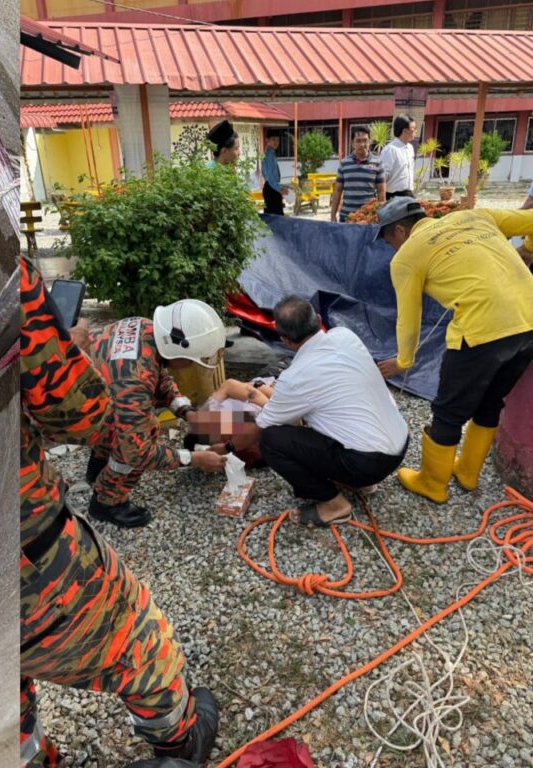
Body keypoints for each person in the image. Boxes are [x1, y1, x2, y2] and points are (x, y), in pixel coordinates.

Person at [20, 257, 219, 767]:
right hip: (27, 558)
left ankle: (25, 753)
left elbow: (159, 382)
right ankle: (180, 736)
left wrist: (177, 407)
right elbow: (125, 443)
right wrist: (188, 456)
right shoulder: (131, 387)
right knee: (138, 637)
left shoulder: (141, 328)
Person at [375, 197, 533, 502]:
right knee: (492, 401)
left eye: (387, 240)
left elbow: (409, 319)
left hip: (482, 328)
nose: (390, 247)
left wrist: (404, 361)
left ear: (399, 231)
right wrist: (529, 249)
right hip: (529, 320)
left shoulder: (406, 256)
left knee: (448, 410)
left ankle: (433, 483)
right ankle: (467, 473)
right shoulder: (477, 216)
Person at [218, 297, 408, 527]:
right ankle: (359, 482)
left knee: (272, 440)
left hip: (368, 463)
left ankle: (334, 505)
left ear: (284, 340)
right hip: (400, 442)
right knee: (328, 413)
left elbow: (259, 428)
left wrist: (226, 449)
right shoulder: (344, 335)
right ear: (318, 319)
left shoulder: (296, 377)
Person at [85, 300, 228, 528]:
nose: (191, 366)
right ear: (178, 351)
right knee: (142, 434)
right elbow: (138, 454)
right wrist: (193, 459)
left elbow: (158, 373)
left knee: (120, 422)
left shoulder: (147, 329)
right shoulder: (133, 383)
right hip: (69, 409)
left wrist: (186, 411)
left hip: (93, 393)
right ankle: (106, 502)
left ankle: (99, 466)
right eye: (191, 361)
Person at [330, 126, 386, 223]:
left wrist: (381, 216)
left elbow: (381, 192)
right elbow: (338, 190)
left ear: (369, 142)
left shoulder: (377, 163)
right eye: (358, 141)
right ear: (352, 143)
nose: (362, 144)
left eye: (365, 140)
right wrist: (333, 215)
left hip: (368, 217)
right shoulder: (344, 163)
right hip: (347, 217)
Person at [381, 115, 417, 199]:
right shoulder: (390, 150)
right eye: (413, 129)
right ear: (404, 131)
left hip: (408, 194)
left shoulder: (410, 148)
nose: (416, 132)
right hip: (393, 196)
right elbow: (383, 176)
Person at [261, 129, 289, 215]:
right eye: (273, 139)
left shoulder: (270, 152)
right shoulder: (269, 154)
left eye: (277, 140)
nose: (276, 142)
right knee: (276, 219)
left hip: (270, 187)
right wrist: (279, 189)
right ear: (267, 140)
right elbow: (269, 176)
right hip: (271, 188)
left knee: (273, 217)